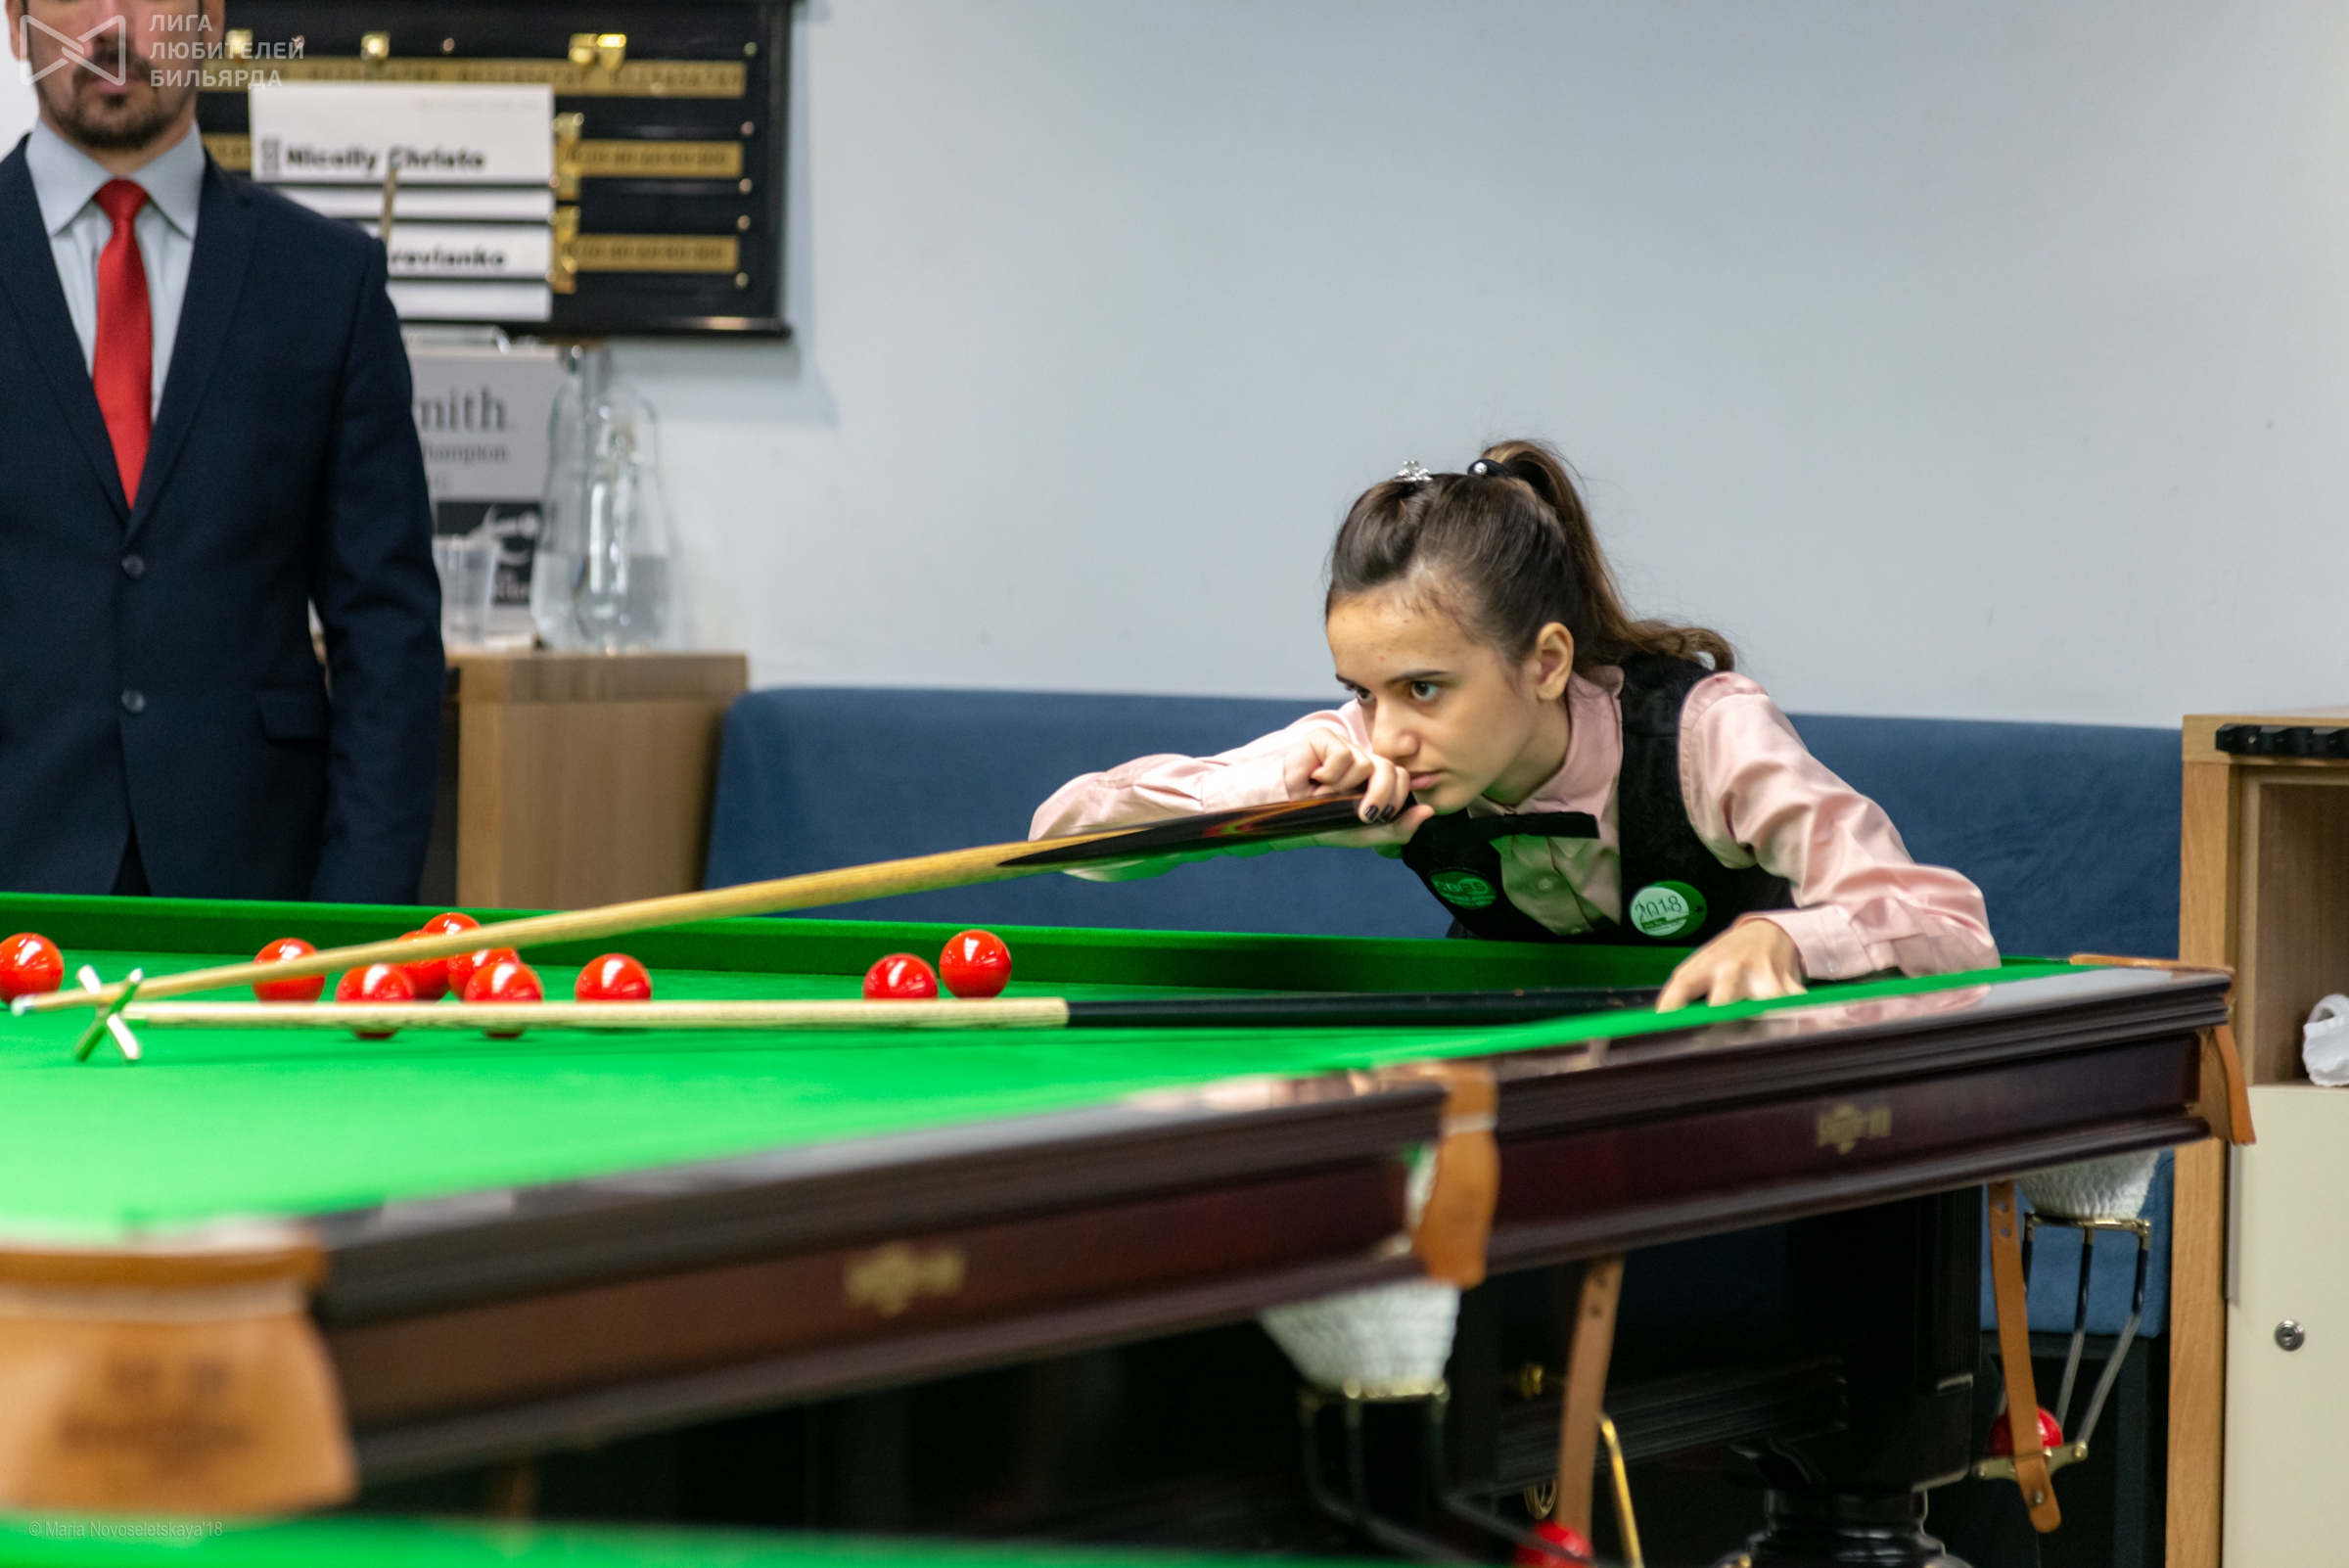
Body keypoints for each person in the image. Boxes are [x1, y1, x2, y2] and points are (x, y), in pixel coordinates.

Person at [1031, 440, 1996, 1010]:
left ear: (1546, 663)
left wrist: (1788, 941)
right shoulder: (1361, 754)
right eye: (1363, 692)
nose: (1387, 731)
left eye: (1425, 689)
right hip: (1504, 1110)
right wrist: (1274, 800)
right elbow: (1063, 840)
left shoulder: (1708, 741)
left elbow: (1950, 925)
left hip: (1746, 1105)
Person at [0, 0, 442, 899]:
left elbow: (387, 633)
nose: (113, 24)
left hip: (256, 893)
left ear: (210, 21)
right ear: (16, 21)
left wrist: (357, 924)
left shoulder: (327, 282)